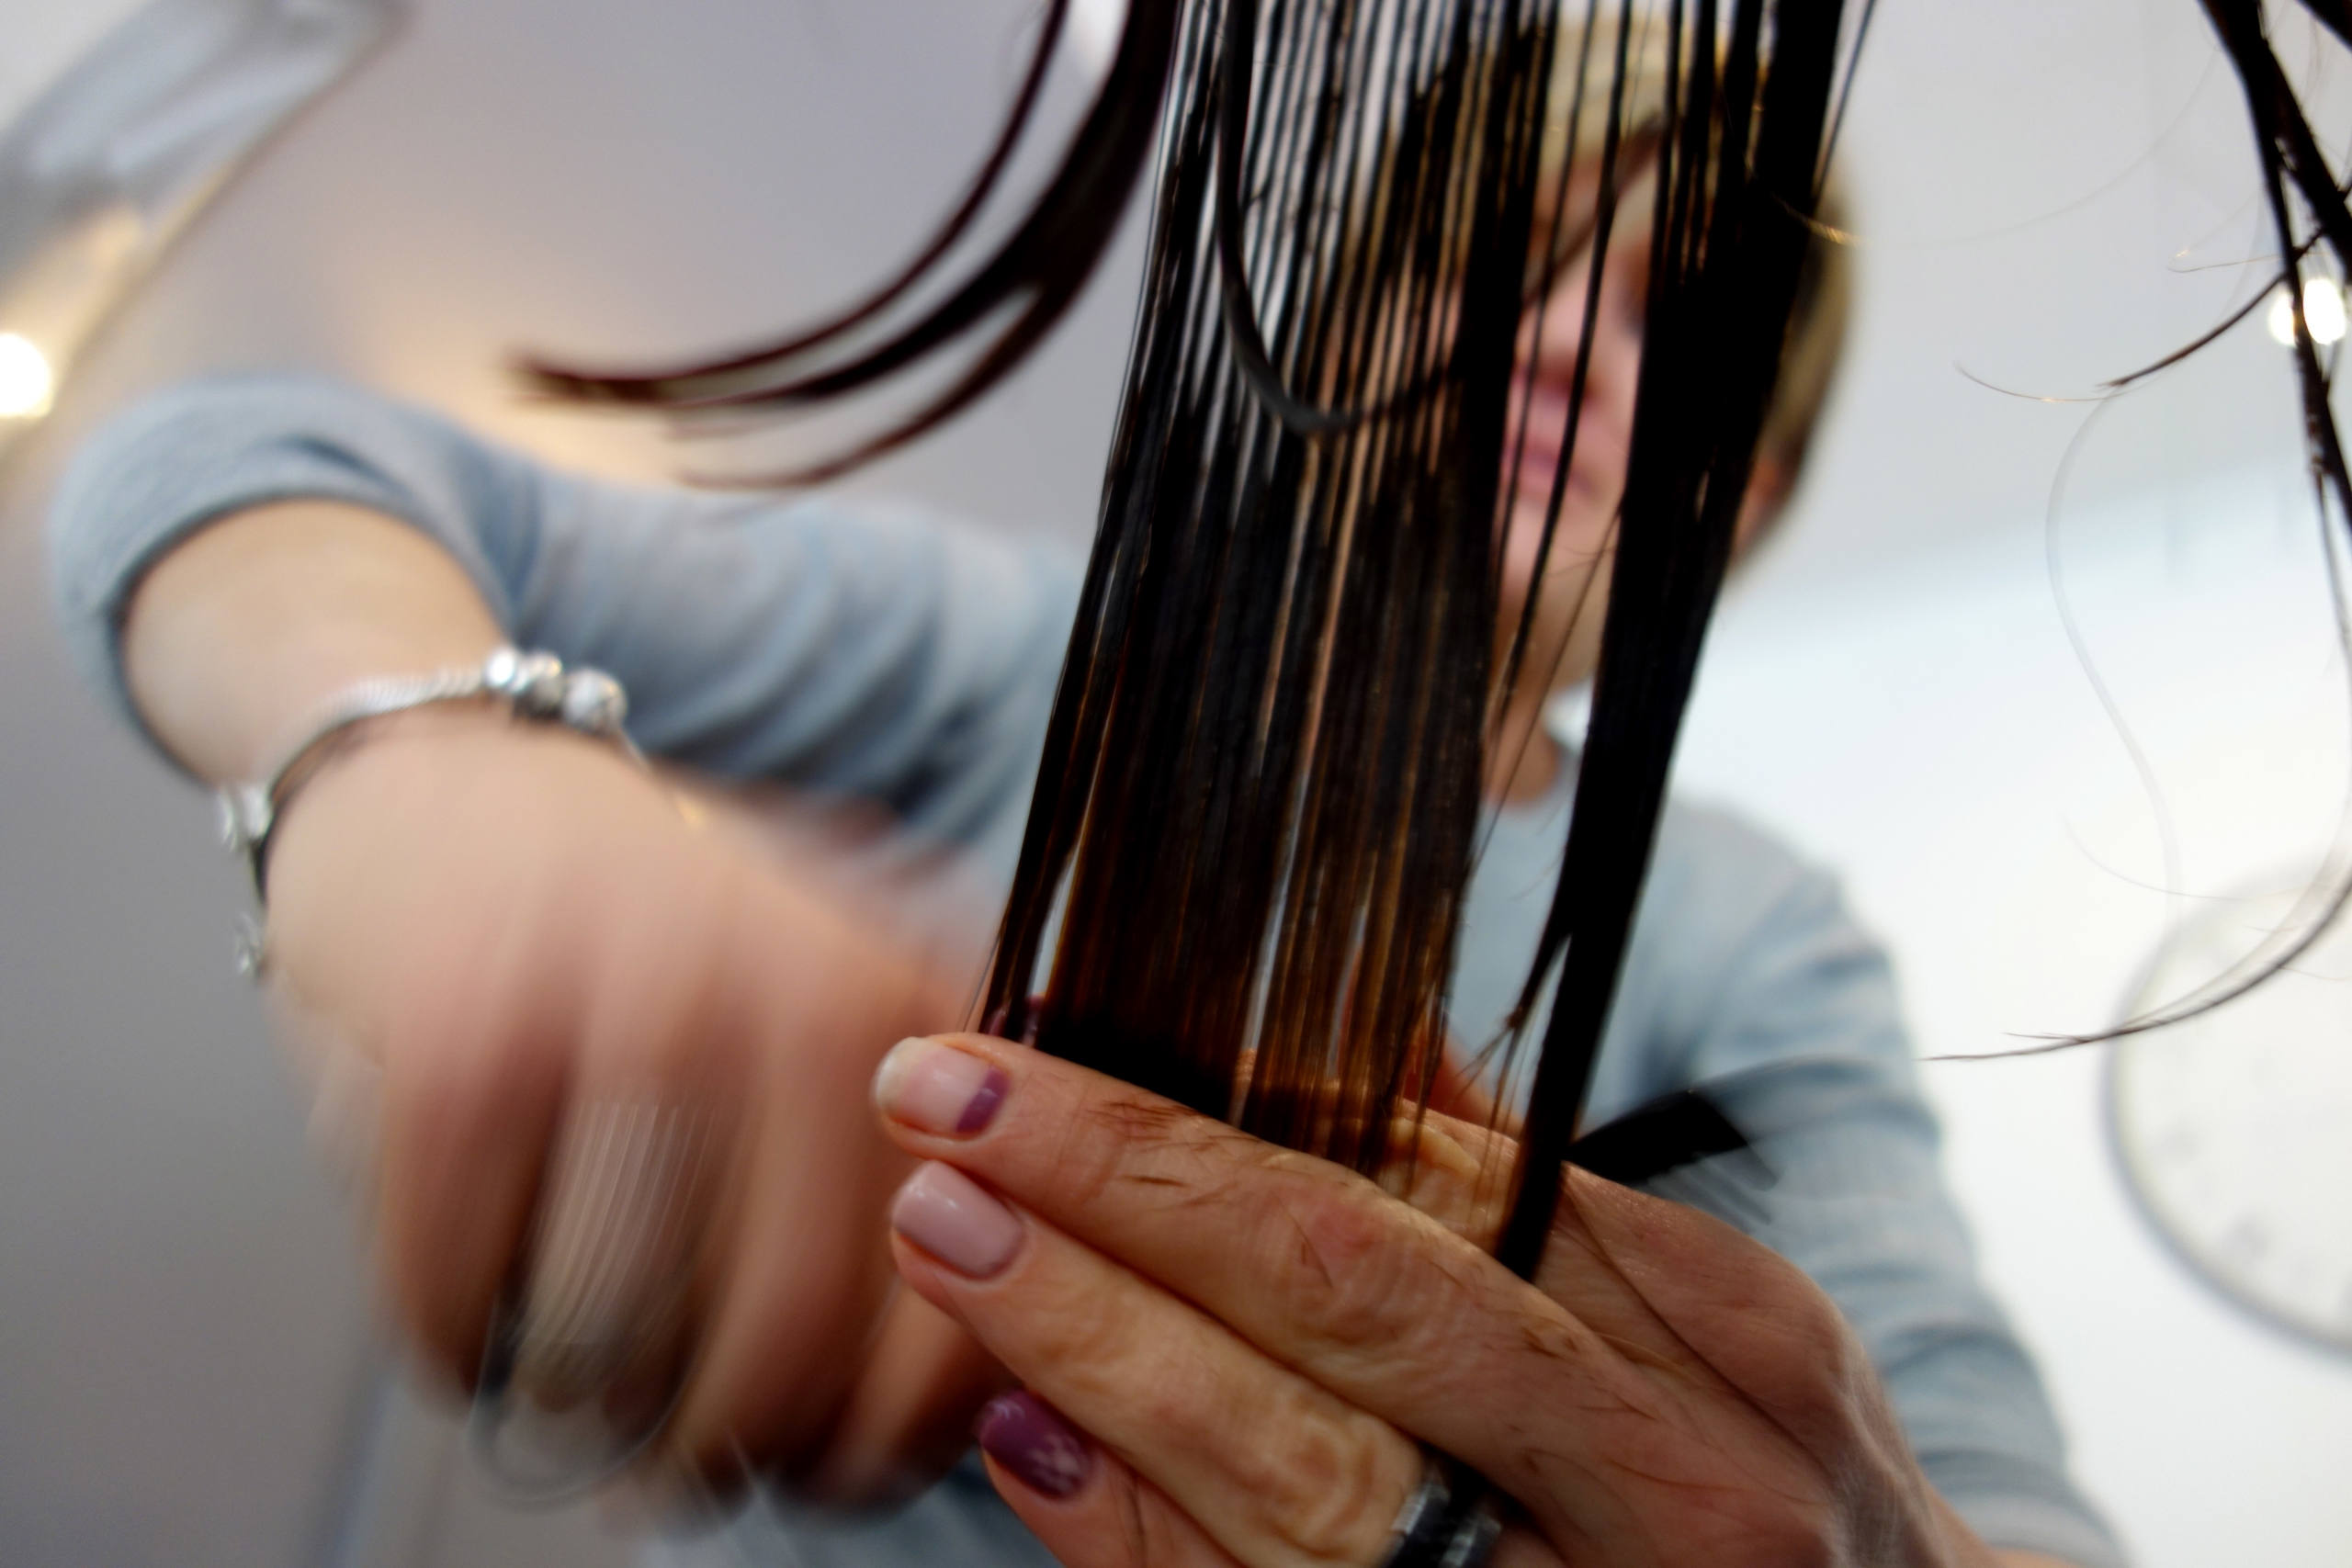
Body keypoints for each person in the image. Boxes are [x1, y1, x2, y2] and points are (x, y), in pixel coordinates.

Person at [43, 28, 2124, 1568]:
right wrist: (415, 761)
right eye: (1508, 259)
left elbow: (2009, 1514)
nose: (1566, 346)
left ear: (1730, 501)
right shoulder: (1044, 657)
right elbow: (220, 459)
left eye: (1672, 326)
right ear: (1364, 318)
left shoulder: (1752, 935)